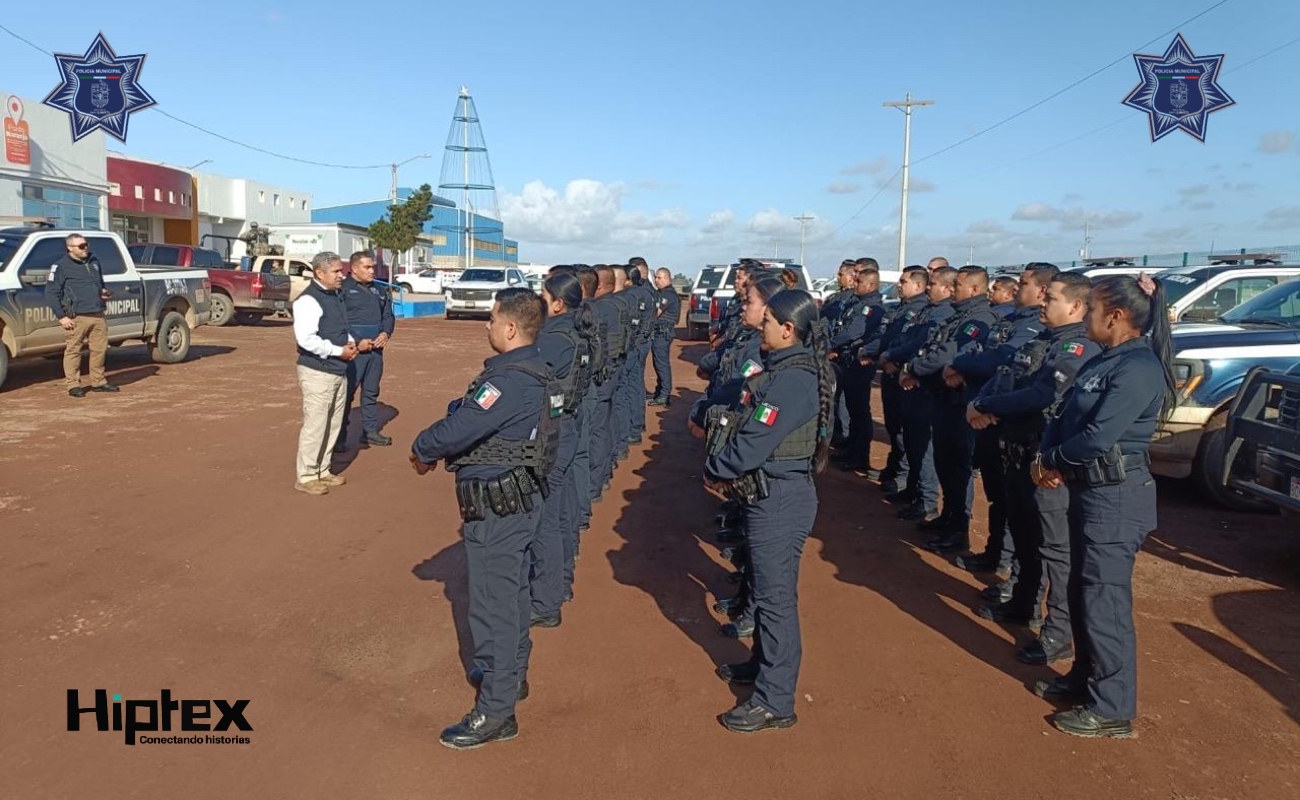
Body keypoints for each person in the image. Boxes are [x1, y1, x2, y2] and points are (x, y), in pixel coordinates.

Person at [1031, 273, 1176, 739]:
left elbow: (1098, 437)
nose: (1086, 315)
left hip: (1115, 499)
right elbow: (1064, 414)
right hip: (1087, 492)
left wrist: (1051, 459)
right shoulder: (1106, 360)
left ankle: (1112, 707)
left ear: (1115, 317)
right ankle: (1084, 676)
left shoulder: (1138, 368)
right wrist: (1047, 456)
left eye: (1092, 309)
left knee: (1105, 601)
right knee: (1081, 591)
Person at [410, 287, 554, 750]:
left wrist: (423, 447)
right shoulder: (534, 371)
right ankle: (508, 677)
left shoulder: (510, 380)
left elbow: (461, 426)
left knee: (494, 604)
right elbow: (469, 415)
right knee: (511, 596)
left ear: (511, 328)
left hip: (498, 507)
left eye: (492, 320)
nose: (488, 326)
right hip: (517, 501)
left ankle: (495, 712)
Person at [705, 289, 832, 733]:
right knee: (763, 587)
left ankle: (776, 699)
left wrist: (717, 468)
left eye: (766, 322)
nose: (759, 326)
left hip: (781, 497)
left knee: (776, 601)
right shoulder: (781, 369)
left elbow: (755, 439)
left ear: (788, 328)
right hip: (768, 494)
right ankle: (762, 666)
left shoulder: (793, 379)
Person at [967, 271, 1099, 664]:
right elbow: (1003, 378)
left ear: (1075, 306)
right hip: (1017, 453)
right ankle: (1023, 603)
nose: (1043, 302)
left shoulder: (1078, 348)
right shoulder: (1041, 341)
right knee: (1024, 535)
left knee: (1055, 548)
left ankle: (1057, 632)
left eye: (1052, 298)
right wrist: (981, 404)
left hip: (1046, 463)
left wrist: (986, 407)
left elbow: (1044, 395)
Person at [946, 264, 1054, 578]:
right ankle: (995, 553)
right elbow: (984, 356)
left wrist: (962, 367)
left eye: (1023, 283)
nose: (1016, 288)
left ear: (1042, 291)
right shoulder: (1008, 319)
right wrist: (962, 365)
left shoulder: (1033, 328)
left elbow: (1001, 361)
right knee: (997, 494)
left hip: (1008, 421)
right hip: (987, 413)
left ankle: (1007, 562)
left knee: (1019, 505)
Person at [903, 266, 1000, 552]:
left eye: (957, 285)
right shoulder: (961, 315)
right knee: (945, 463)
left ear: (973, 289)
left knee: (958, 467)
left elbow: (951, 354)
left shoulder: (980, 318)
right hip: (943, 398)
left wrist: (925, 368)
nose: (951, 290)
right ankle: (948, 517)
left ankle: (959, 529)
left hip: (959, 401)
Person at [530, 272, 595, 625]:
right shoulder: (576, 330)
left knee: (547, 519)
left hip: (555, 430)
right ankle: (561, 583)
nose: (538, 301)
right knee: (565, 508)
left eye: (542, 296)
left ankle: (545, 600)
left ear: (557, 302)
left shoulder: (556, 336)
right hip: (570, 423)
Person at [883, 266, 956, 522]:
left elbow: (927, 350)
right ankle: (914, 492)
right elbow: (906, 340)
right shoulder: (928, 311)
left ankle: (926, 502)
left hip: (925, 388)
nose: (928, 288)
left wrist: (907, 367)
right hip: (910, 383)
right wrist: (893, 358)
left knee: (925, 449)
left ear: (946, 288)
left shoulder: (945, 314)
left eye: (932, 284)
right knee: (913, 443)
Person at [292, 252, 363, 496]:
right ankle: (307, 475)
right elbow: (306, 339)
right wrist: (338, 351)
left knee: (333, 423)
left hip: (337, 369)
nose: (341, 275)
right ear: (319, 273)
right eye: (335, 271)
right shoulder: (308, 301)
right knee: (316, 424)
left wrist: (350, 343)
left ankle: (323, 469)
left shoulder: (335, 296)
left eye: (341, 270)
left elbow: (341, 327)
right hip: (317, 371)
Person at [865, 266, 930, 496]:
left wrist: (893, 359)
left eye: (903, 282)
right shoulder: (904, 308)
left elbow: (913, 345)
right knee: (895, 428)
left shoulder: (921, 310)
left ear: (919, 286)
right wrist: (884, 355)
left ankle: (903, 476)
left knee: (905, 432)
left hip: (905, 377)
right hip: (892, 373)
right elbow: (890, 338)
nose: (899, 285)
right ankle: (896, 470)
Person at [337, 251, 395, 451]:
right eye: (367, 267)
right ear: (353, 269)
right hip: (353, 352)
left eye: (373, 267)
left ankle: (369, 432)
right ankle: (339, 437)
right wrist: (357, 341)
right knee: (346, 394)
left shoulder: (380, 290)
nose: (372, 271)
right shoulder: (342, 289)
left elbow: (388, 315)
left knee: (371, 393)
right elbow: (338, 321)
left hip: (375, 352)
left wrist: (386, 333)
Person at [829, 266, 885, 472]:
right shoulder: (858, 303)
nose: (855, 284)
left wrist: (830, 344)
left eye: (859, 281)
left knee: (860, 412)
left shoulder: (870, 307)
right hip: (849, 360)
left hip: (860, 363)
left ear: (870, 285)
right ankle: (852, 450)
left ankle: (860, 456)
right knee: (853, 410)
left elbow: (854, 331)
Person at [47, 233, 117, 397]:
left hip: (98, 314)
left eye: (86, 244)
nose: (85, 248)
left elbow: (100, 284)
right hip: (76, 317)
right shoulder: (61, 266)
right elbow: (51, 293)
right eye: (81, 246)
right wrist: (61, 317)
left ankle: (98, 382)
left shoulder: (94, 261)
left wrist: (103, 292)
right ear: (70, 248)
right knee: (73, 351)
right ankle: (73, 385)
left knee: (99, 350)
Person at [648, 267, 680, 406]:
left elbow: (655, 313)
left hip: (663, 333)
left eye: (659, 278)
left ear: (668, 278)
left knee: (662, 364)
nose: (656, 280)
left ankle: (664, 395)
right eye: (655, 277)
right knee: (658, 363)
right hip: (660, 333)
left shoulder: (668, 295)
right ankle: (660, 391)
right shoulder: (663, 293)